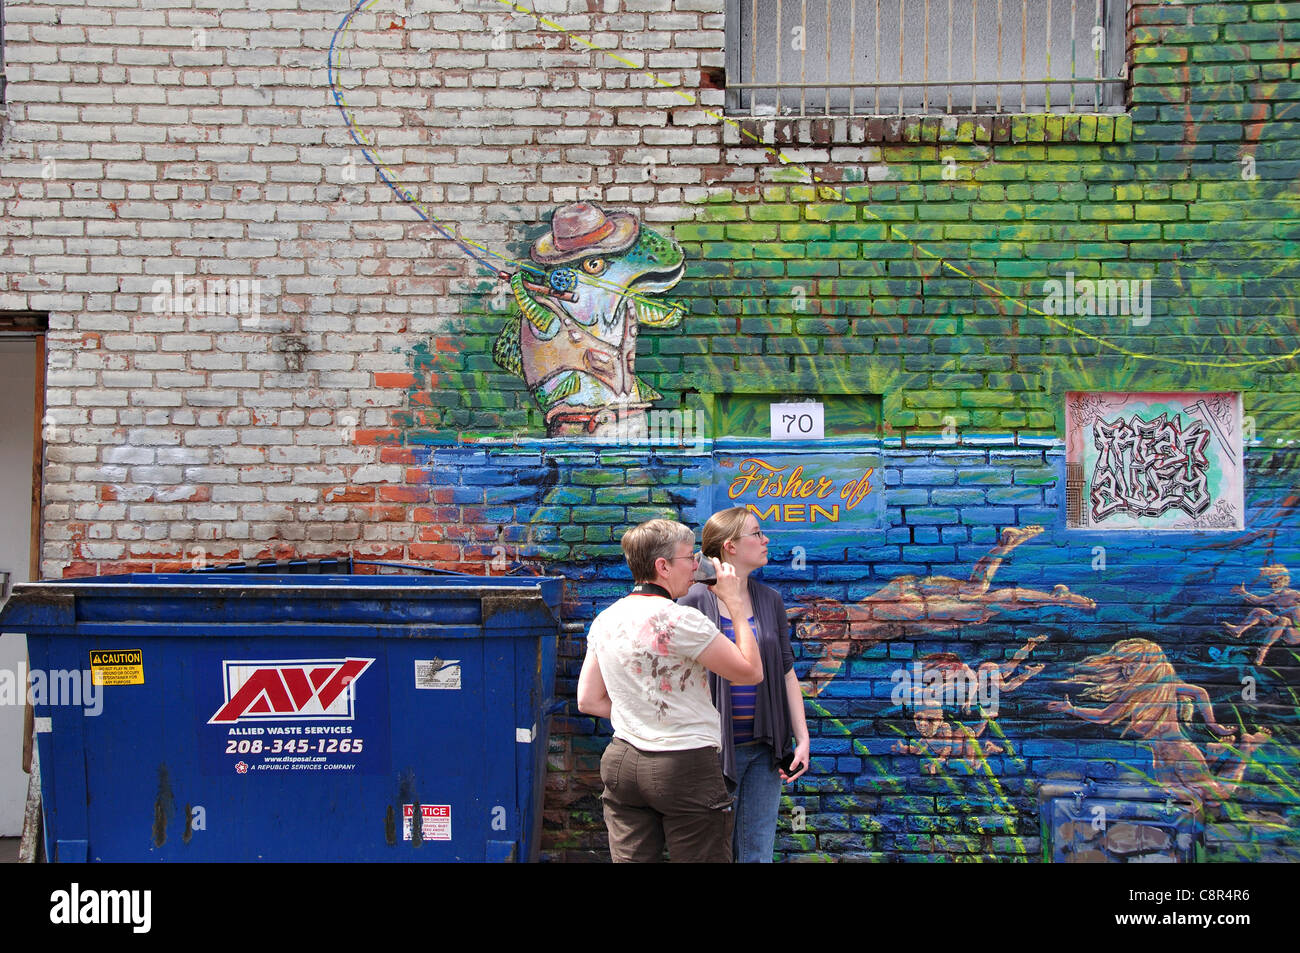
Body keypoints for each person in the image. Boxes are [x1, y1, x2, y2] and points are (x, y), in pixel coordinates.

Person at [577, 518, 764, 862]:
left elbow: (588, 700)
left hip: (622, 763)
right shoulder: (681, 621)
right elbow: (750, 671)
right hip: (685, 765)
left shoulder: (606, 619)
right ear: (662, 566)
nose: (696, 564)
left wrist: (640, 710)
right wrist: (736, 603)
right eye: (688, 558)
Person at [678, 508, 810, 863]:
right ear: (730, 546)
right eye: (756, 533)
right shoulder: (691, 601)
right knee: (712, 854)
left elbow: (786, 674)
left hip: (764, 750)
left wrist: (803, 740)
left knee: (757, 854)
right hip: (709, 754)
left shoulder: (770, 600)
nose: (766, 540)